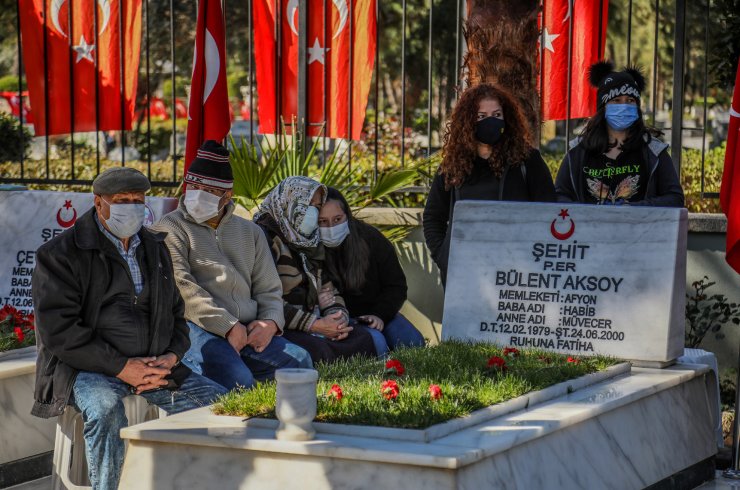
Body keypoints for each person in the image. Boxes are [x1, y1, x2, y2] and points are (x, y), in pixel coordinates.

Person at [31, 167, 227, 490]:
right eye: (122, 200)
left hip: (152, 366)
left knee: (222, 406)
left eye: (138, 199)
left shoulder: (154, 247)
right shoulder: (60, 255)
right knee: (106, 411)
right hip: (86, 369)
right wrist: (122, 367)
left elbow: (177, 314)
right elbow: (59, 332)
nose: (132, 206)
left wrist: (172, 356)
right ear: (99, 203)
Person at [152, 141, 312, 390]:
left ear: (227, 195)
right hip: (196, 328)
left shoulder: (251, 232)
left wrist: (270, 322)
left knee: (300, 362)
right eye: (193, 186)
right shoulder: (170, 227)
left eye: (207, 190)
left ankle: (286, 424)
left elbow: (269, 288)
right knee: (239, 380)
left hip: (247, 326)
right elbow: (183, 289)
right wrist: (226, 326)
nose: (196, 193)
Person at [423, 82, 556, 285]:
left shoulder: (527, 161)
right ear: (468, 121)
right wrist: (444, 257)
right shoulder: (453, 165)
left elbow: (548, 212)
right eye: (482, 117)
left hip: (516, 275)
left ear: (507, 118)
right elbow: (433, 217)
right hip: (464, 276)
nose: (490, 122)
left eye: (497, 115)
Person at [253, 176, 377, 363]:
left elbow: (328, 289)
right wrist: (315, 325)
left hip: (316, 321)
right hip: (283, 325)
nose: (312, 212)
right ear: (289, 201)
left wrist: (337, 319)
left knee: (363, 340)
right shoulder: (266, 238)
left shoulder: (310, 241)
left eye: (317, 206)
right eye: (307, 204)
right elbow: (265, 300)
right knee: (319, 351)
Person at [555, 60, 684, 207]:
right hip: (590, 228)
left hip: (638, 228)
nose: (624, 106)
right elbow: (559, 196)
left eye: (630, 100)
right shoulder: (578, 151)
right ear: (603, 108)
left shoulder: (653, 152)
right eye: (616, 100)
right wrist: (587, 211)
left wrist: (636, 209)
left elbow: (675, 198)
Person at [319, 187, 424, 355]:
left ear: (348, 216)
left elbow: (396, 286)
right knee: (376, 342)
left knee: (412, 342)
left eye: (337, 219)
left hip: (378, 313)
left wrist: (379, 315)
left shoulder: (371, 238)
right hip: (340, 319)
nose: (331, 227)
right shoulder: (310, 248)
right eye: (322, 221)